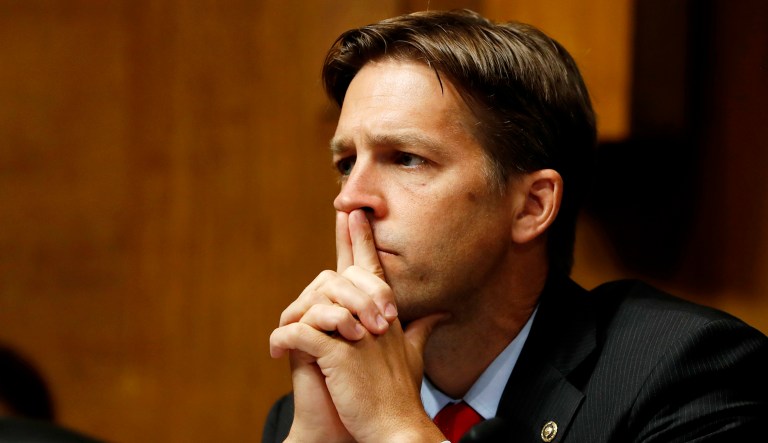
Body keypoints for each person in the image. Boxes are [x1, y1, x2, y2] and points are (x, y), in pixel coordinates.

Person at [264, 9, 768, 442]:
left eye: (407, 159)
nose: (350, 199)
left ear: (531, 206)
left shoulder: (684, 374)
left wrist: (398, 430)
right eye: (347, 162)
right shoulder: (316, 411)